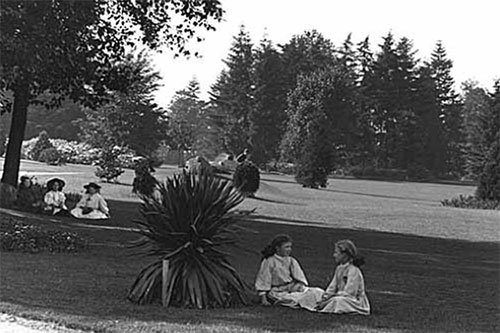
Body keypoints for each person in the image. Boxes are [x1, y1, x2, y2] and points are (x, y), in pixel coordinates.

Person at [255, 234, 324, 311]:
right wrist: (264, 299)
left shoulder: (291, 260)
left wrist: (298, 285)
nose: (289, 249)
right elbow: (264, 280)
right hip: (277, 291)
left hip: (291, 287)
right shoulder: (269, 261)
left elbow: (299, 276)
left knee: (317, 292)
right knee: (294, 299)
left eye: (290, 247)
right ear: (277, 248)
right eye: (286, 247)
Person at [315, 240, 370, 315]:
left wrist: (329, 300)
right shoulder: (339, 268)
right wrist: (325, 297)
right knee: (316, 293)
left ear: (345, 255)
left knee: (338, 301)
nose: (334, 255)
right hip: (339, 296)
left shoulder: (353, 270)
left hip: (353, 300)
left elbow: (350, 293)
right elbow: (332, 286)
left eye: (336, 253)